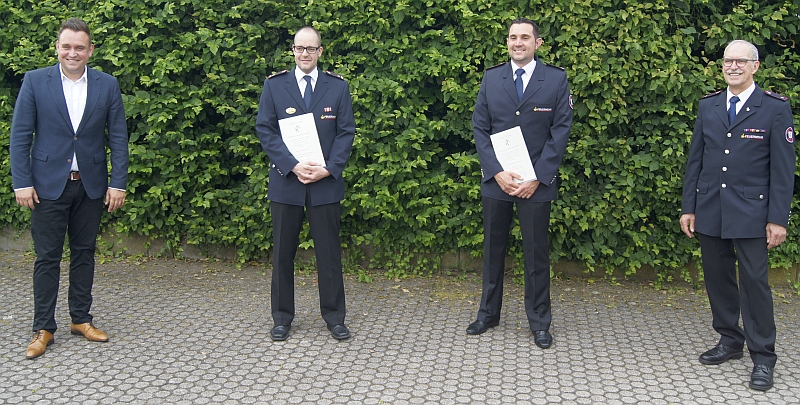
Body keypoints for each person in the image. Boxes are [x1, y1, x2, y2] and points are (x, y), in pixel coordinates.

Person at [10, 18, 129, 359]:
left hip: (90, 185)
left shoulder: (107, 85)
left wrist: (118, 182)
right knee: (47, 258)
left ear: (90, 50)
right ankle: (43, 327)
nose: (72, 53)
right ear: (57, 48)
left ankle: (81, 319)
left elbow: (118, 137)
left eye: (79, 47)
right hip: (46, 186)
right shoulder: (35, 81)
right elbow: (20, 136)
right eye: (66, 46)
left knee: (84, 253)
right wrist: (22, 182)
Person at [680, 40, 795, 391]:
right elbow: (696, 159)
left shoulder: (774, 108)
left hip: (752, 212)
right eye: (728, 61)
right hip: (711, 208)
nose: (733, 67)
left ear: (755, 67)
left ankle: (763, 357)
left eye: (741, 61)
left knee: (755, 284)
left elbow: (783, 170)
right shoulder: (709, 105)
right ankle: (730, 340)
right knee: (718, 279)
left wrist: (778, 218)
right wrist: (689, 206)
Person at [467, 17, 573, 349]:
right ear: (507, 42)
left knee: (536, 254)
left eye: (525, 37)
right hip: (497, 181)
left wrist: (538, 177)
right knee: (492, 251)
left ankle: (540, 322)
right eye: (513, 37)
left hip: (536, 184)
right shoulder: (492, 77)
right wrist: (496, 171)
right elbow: (480, 127)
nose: (518, 43)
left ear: (537, 43)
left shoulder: (555, 79)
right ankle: (488, 314)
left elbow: (560, 131)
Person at [256, 26, 356, 341]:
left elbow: (346, 132)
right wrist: (292, 165)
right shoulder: (275, 86)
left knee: (329, 255)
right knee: (282, 254)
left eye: (311, 49)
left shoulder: (337, 87)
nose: (304, 54)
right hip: (287, 182)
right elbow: (265, 130)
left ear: (320, 52)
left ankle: (335, 318)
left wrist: (328, 169)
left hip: (325, 184)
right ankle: (282, 318)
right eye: (299, 48)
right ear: (293, 50)